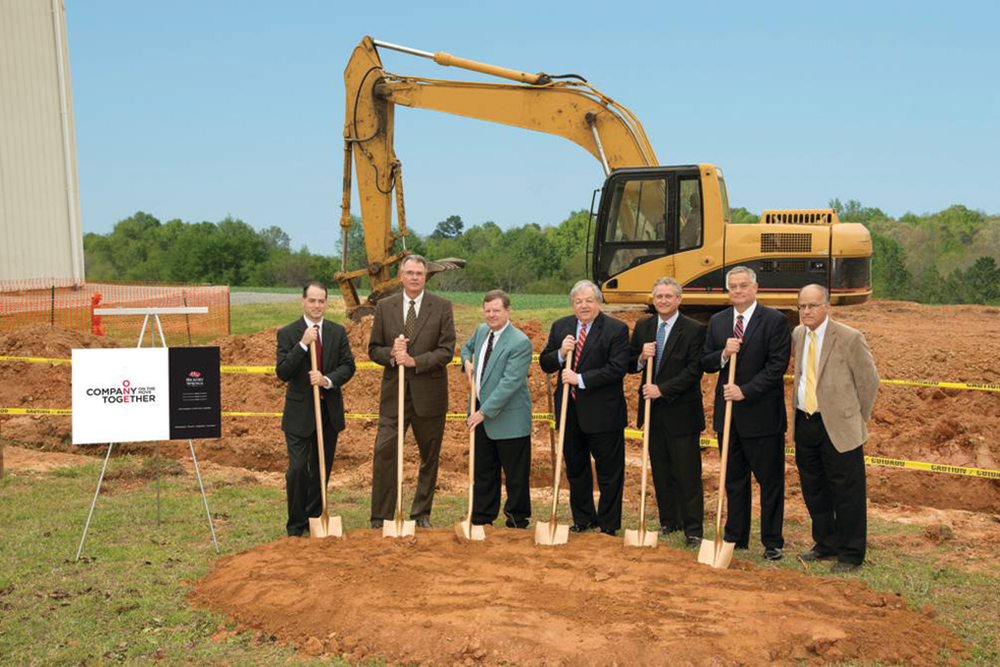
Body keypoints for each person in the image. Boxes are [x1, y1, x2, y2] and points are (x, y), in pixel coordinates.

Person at [701, 266, 791, 560]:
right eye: (733, 287)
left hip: (762, 416)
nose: (738, 291)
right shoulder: (718, 322)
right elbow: (707, 361)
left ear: (755, 288)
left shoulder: (775, 321)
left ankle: (772, 541)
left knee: (769, 481)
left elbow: (777, 367)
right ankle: (736, 536)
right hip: (728, 417)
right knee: (734, 480)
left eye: (743, 286)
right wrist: (724, 354)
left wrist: (745, 391)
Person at [791, 284, 879, 572]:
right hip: (806, 422)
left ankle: (851, 553)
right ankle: (825, 543)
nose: (806, 311)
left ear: (827, 306)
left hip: (840, 426)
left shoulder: (850, 337)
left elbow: (869, 382)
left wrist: (855, 418)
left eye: (813, 305)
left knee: (848, 491)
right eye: (802, 306)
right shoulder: (798, 334)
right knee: (814, 488)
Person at [368, 254, 456, 529]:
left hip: (429, 396)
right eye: (410, 273)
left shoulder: (441, 307)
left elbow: (446, 351)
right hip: (394, 396)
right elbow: (373, 349)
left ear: (425, 276)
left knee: (429, 457)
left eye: (419, 273)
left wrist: (415, 362)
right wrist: (393, 356)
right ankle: (381, 516)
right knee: (384, 452)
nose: (415, 277)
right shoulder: (385, 307)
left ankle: (420, 514)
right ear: (401, 275)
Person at [539, 280, 629, 536]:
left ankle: (609, 523)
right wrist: (560, 352)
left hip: (604, 413)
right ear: (573, 304)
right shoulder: (561, 327)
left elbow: (617, 368)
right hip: (570, 411)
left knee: (609, 471)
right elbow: (546, 363)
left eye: (589, 300)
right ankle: (583, 518)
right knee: (576, 467)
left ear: (598, 302)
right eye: (578, 301)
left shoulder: (616, 329)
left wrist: (579, 379)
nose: (584, 305)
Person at [627, 277, 707, 546]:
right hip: (653, 412)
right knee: (661, 471)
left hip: (681, 412)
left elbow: (695, 370)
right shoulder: (643, 326)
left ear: (679, 300)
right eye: (659, 296)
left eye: (668, 296)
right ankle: (669, 521)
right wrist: (640, 357)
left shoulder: (694, 329)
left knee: (687, 473)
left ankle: (693, 529)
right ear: (653, 298)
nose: (663, 300)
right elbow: (629, 364)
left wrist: (663, 389)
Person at [275, 281, 356, 537]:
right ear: (303, 301)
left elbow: (348, 366)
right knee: (298, 469)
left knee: (322, 470)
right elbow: (283, 372)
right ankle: (295, 526)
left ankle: (314, 518)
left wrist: (326, 380)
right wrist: (302, 345)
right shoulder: (288, 333)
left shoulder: (336, 332)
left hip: (328, 413)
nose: (317, 305)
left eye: (321, 301)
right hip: (299, 415)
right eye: (312, 300)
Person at [461, 290, 534, 528]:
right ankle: (482, 516)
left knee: (515, 475)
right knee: (484, 470)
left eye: (496, 310)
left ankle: (517, 518)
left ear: (507, 311)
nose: (491, 315)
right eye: (488, 310)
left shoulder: (520, 342)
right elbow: (465, 348)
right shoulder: (482, 331)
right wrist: (467, 362)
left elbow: (509, 384)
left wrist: (482, 413)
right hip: (480, 411)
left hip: (509, 418)